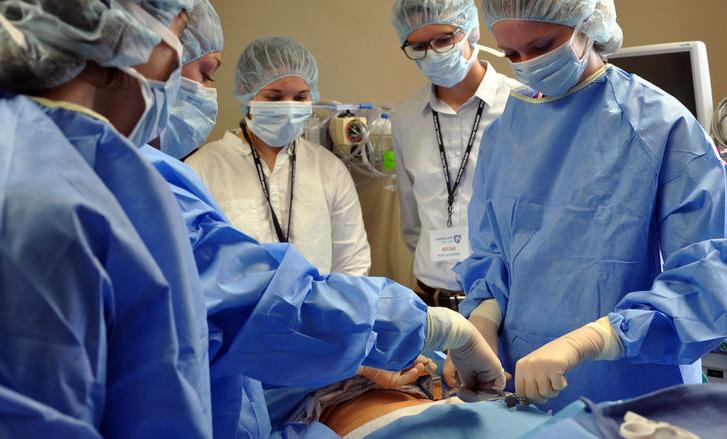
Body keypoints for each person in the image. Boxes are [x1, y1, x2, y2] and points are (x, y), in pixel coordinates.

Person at [137, 1, 508, 437]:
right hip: (274, 366)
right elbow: (247, 295)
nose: (289, 107)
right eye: (205, 74)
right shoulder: (185, 173)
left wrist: (366, 353)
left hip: (340, 356)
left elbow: (346, 271)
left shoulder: (323, 168)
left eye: (299, 96)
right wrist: (426, 325)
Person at [454, 0, 727, 411]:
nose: (527, 64)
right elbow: (495, 250)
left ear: (586, 25)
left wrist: (594, 339)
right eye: (513, 55)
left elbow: (722, 264)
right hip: (525, 383)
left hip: (633, 384)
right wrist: (482, 320)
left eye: (541, 46)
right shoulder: (506, 133)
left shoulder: (656, 124)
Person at [0, 1, 213, 436]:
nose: (174, 72)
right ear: (129, 36)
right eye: (178, 38)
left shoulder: (79, 168)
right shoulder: (39, 197)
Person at [186, 36, 371, 276]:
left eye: (301, 97)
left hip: (317, 311)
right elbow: (191, 264)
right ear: (246, 93)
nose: (288, 107)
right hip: (237, 314)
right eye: (274, 98)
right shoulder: (202, 168)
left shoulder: (329, 170)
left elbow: (352, 264)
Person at [390, 0, 532, 310]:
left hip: (504, 302)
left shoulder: (523, 104)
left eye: (443, 39)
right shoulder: (405, 119)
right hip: (430, 299)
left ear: (470, 31)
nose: (433, 53)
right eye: (418, 47)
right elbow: (412, 221)